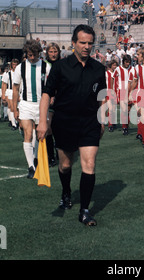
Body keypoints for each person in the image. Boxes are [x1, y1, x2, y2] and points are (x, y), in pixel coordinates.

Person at [36, 25, 107, 226]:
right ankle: (66, 192)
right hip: (64, 122)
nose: (87, 47)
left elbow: (101, 97)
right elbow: (47, 94)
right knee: (65, 165)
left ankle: (85, 211)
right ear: (74, 43)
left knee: (89, 165)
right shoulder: (60, 67)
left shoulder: (99, 68)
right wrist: (43, 121)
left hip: (89, 123)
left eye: (90, 43)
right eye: (82, 42)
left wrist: (101, 120)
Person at [12, 40, 51, 178]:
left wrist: (52, 98)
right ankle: (31, 167)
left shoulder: (46, 67)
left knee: (39, 135)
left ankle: (35, 158)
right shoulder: (20, 68)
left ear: (39, 53)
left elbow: (51, 87)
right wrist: (15, 109)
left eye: (34, 54)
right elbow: (15, 88)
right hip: (26, 105)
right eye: (29, 55)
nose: (32, 57)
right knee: (28, 134)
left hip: (41, 105)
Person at [44, 43, 61, 167]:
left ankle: (59, 151)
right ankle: (50, 156)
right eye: (51, 52)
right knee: (48, 128)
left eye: (55, 52)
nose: (53, 54)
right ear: (47, 53)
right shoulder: (43, 65)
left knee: (59, 129)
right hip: (48, 100)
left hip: (61, 101)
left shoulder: (63, 65)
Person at [1, 60, 19, 130]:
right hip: (10, 91)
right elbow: (4, 84)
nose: (15, 66)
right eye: (13, 64)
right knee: (12, 107)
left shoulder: (20, 72)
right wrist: (3, 95)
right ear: (11, 65)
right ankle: (14, 124)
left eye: (16, 64)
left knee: (16, 108)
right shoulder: (7, 73)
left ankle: (14, 121)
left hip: (18, 91)